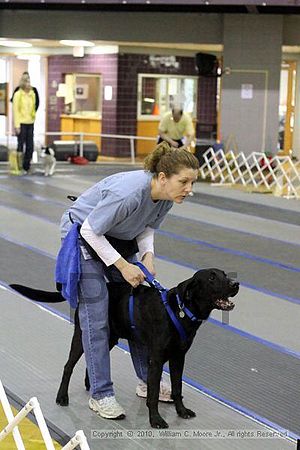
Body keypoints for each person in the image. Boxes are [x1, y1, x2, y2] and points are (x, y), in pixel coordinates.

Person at [58, 141, 199, 420]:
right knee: (97, 317)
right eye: (184, 181)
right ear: (162, 177)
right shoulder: (130, 193)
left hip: (116, 237)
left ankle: (148, 382)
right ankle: (101, 394)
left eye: (192, 183)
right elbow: (90, 230)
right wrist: (122, 265)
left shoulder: (167, 197)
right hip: (84, 237)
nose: (189, 189)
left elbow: (146, 226)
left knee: (140, 309)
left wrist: (147, 256)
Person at [12, 73, 39, 173]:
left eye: (29, 81)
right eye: (26, 81)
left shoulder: (32, 93)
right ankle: (18, 166)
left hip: (30, 122)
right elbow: (16, 110)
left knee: (30, 145)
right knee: (20, 145)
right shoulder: (18, 94)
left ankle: (27, 165)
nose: (28, 84)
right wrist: (17, 125)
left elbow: (35, 106)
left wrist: (33, 116)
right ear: (23, 83)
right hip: (21, 123)